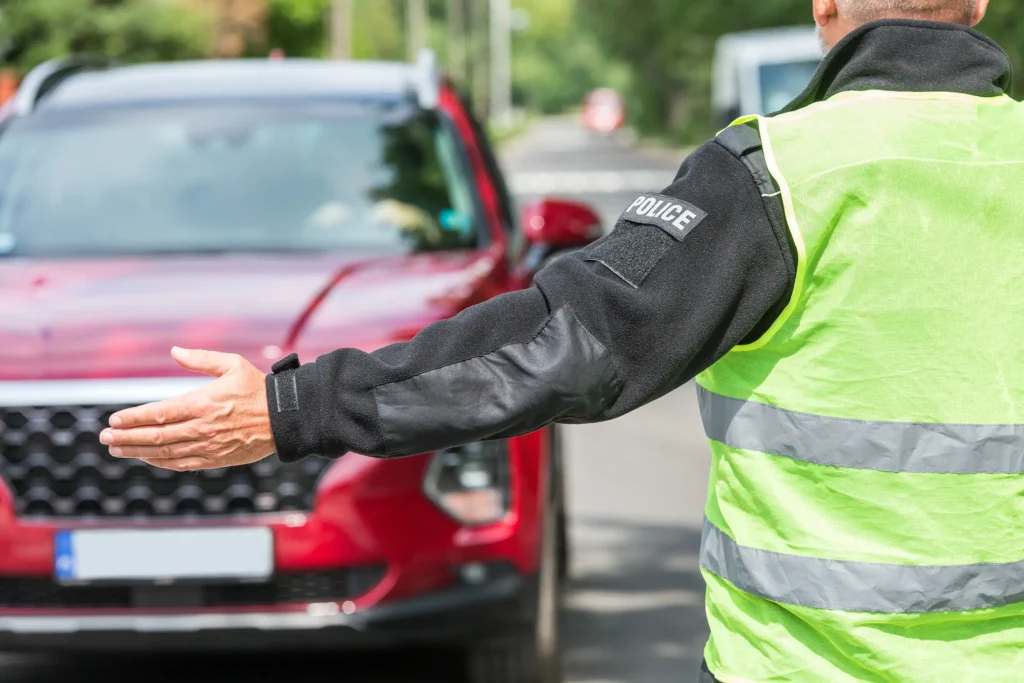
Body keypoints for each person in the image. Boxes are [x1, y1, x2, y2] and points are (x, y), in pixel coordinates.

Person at [98, 0, 1024, 680]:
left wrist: (295, 405)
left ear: (826, 9)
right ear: (977, 5)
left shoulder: (777, 176)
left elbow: (561, 344)